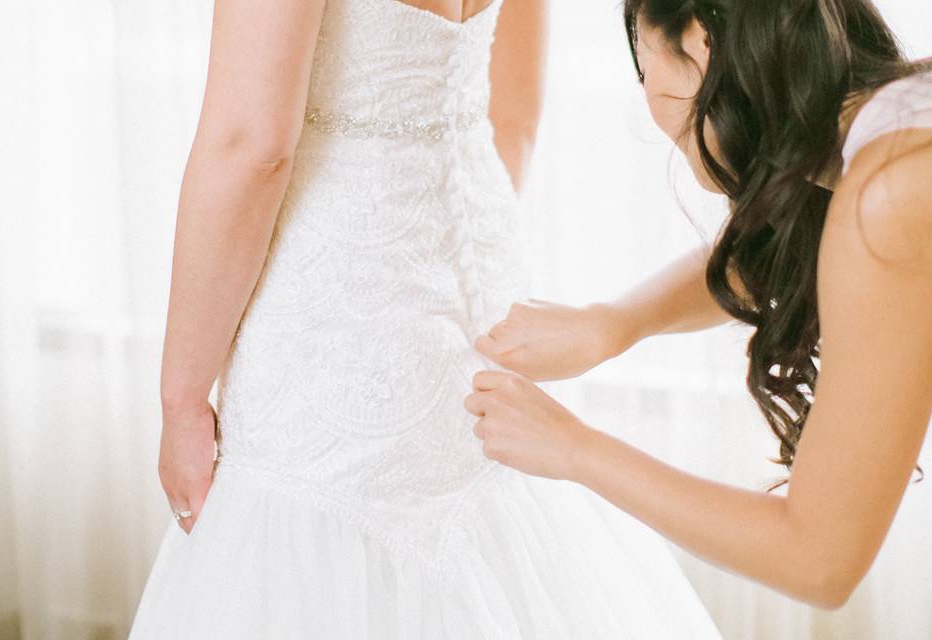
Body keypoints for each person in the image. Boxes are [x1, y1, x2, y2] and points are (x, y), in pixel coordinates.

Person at [127, 1, 724, 638]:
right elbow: (513, 115)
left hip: (334, 314)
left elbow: (252, 147)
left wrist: (183, 398)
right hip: (481, 285)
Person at [467, 0, 932, 611]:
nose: (646, 96)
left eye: (643, 66)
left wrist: (574, 448)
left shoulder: (890, 191)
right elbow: (779, 241)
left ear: (701, 39)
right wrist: (614, 324)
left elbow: (819, 559)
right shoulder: (898, 117)